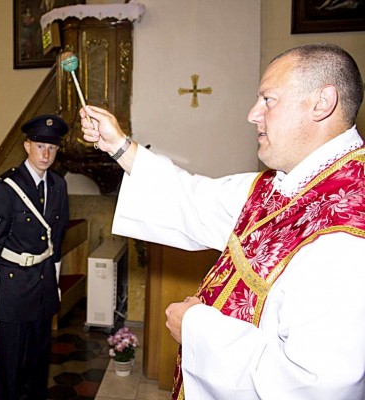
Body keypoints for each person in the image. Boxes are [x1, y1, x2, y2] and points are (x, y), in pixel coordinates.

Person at [79, 43, 365, 399]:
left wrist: (197, 328)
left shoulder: (349, 230)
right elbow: (195, 199)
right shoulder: (285, 184)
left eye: (268, 100)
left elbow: (316, 385)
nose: (252, 114)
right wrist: (119, 146)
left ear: (322, 103)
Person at [0, 115, 69, 399]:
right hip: (13, 284)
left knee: (39, 361)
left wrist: (55, 283)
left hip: (43, 282)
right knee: (10, 364)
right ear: (27, 146)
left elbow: (56, 239)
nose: (46, 154)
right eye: (40, 146)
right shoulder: (6, 186)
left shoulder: (58, 185)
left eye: (52, 148)